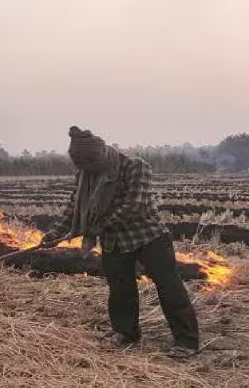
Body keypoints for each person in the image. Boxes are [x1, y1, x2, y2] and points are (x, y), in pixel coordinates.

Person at [41, 126, 199, 358]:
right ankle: (126, 332)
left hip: (148, 236)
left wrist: (98, 225)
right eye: (82, 166)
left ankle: (187, 341)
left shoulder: (135, 166)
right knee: (120, 289)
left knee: (169, 286)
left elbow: (135, 204)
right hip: (114, 241)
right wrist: (54, 234)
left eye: (89, 165)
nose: (86, 170)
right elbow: (74, 208)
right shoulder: (85, 175)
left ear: (101, 155)